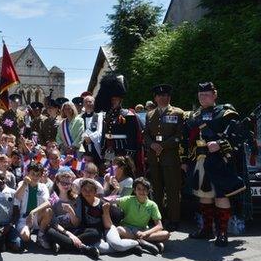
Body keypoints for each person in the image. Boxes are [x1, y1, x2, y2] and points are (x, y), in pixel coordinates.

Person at [186, 82, 246, 247]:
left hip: (219, 161)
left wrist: (219, 143)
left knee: (221, 195)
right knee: (205, 195)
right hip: (201, 159)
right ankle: (207, 230)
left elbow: (238, 136)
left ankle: (222, 233)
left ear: (214, 95)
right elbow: (188, 139)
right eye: (200, 95)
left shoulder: (225, 112)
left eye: (206, 94)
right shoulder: (194, 115)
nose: (202, 97)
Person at [144, 84, 185, 231]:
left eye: (166, 95)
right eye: (160, 96)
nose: (164, 98)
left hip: (170, 157)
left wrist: (163, 145)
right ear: (155, 98)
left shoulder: (178, 113)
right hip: (154, 158)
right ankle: (159, 219)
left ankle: (174, 219)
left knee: (173, 190)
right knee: (157, 189)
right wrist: (152, 144)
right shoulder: (150, 114)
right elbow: (146, 134)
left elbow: (179, 135)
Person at [95, 74, 143, 174]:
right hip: (109, 153)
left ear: (120, 99)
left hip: (122, 153)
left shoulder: (128, 115)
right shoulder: (106, 116)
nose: (112, 102)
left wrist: (128, 157)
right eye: (111, 99)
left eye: (115, 99)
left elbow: (132, 138)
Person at [115, 178, 170, 254]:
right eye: (139, 189)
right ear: (134, 190)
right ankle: (149, 243)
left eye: (144, 189)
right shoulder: (128, 199)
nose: (141, 191)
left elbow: (159, 226)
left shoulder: (152, 205)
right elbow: (114, 201)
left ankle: (139, 242)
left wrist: (145, 233)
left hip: (142, 230)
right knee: (119, 230)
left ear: (148, 191)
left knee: (166, 234)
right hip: (127, 229)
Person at [15, 163, 50, 244]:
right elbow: (17, 197)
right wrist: (24, 184)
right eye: (33, 174)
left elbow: (48, 202)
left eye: (38, 175)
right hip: (24, 218)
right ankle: (29, 229)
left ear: (41, 176)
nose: (35, 177)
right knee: (25, 237)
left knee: (48, 211)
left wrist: (33, 212)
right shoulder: (22, 183)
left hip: (37, 217)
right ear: (28, 173)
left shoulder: (43, 187)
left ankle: (40, 235)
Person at [80, 95, 103, 166]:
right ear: (83, 104)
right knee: (82, 168)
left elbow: (100, 131)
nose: (88, 104)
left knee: (96, 167)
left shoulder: (99, 116)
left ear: (94, 103)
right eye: (86, 102)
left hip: (95, 147)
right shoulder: (80, 117)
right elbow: (78, 131)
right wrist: (84, 137)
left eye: (90, 102)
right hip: (83, 147)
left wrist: (90, 138)